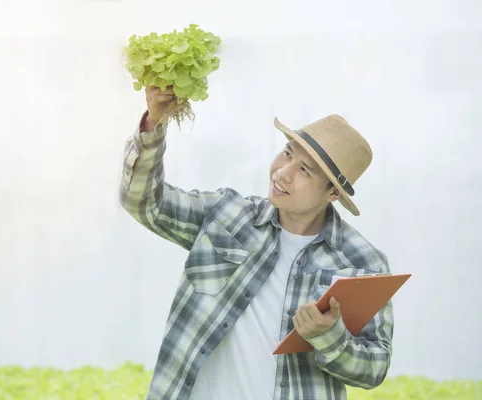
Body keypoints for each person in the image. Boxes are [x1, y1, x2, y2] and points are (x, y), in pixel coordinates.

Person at [119, 86, 393, 400]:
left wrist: (330, 338)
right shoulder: (228, 215)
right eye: (288, 153)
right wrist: (153, 124)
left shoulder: (361, 264)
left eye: (304, 170)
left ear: (332, 193)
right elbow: (144, 204)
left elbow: (375, 369)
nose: (283, 173)